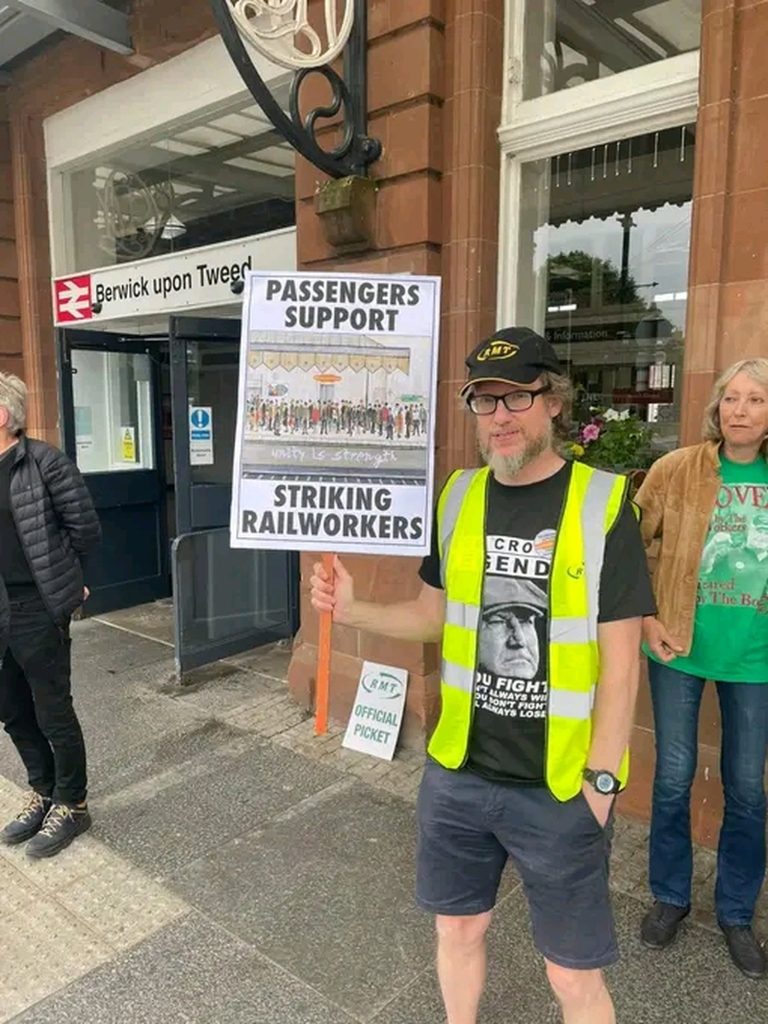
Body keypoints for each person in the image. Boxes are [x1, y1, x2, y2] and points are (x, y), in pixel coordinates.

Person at [311, 327, 655, 1024]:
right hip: (459, 773)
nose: (500, 416)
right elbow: (432, 617)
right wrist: (354, 608)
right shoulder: (459, 497)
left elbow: (621, 667)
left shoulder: (604, 503)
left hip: (558, 788)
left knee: (572, 974)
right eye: (484, 400)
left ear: (553, 402)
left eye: (518, 398)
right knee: (457, 929)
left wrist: (601, 785)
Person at [634, 357, 768, 980]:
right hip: (678, 644)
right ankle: (670, 897)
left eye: (756, 399)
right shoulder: (677, 469)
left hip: (756, 657)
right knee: (673, 776)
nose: (741, 410)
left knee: (746, 788)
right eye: (732, 398)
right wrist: (645, 619)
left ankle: (737, 913)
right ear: (717, 407)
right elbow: (627, 550)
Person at [0, 372, 100, 858]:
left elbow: (84, 527)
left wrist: (68, 580)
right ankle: (42, 792)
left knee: (52, 711)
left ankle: (73, 805)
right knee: (13, 711)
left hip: (37, 608)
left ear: (3, 415)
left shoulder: (43, 463)